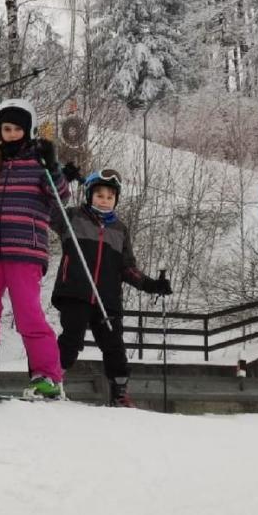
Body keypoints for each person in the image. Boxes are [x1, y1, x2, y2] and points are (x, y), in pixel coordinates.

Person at [0, 98, 69, 400]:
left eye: (18, 128)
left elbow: (61, 197)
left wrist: (52, 165)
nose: (11, 134)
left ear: (29, 130)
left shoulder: (39, 164)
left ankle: (47, 376)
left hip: (25, 251)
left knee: (28, 313)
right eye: (6, 128)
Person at [51, 168, 172, 407]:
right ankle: (52, 381)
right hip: (75, 292)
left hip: (107, 298)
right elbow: (48, 207)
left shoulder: (119, 230)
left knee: (114, 345)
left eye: (109, 197)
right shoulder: (73, 217)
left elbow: (128, 268)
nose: (104, 201)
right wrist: (62, 178)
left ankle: (119, 392)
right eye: (99, 195)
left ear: (115, 200)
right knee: (71, 340)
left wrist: (151, 285)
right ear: (89, 196)